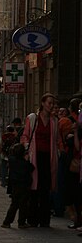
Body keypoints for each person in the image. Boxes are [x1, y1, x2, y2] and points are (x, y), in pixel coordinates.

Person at [21, 92, 62, 227]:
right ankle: (32, 218)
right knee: (34, 188)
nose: (51, 106)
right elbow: (25, 136)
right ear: (43, 103)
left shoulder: (54, 121)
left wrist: (58, 151)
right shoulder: (33, 118)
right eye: (49, 103)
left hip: (48, 157)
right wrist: (27, 149)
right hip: (34, 156)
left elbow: (57, 139)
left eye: (53, 103)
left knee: (45, 188)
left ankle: (44, 219)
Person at [58, 98, 82, 228]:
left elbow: (75, 145)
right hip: (74, 160)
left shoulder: (70, 122)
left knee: (72, 191)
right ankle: (77, 218)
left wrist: (74, 133)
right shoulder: (72, 122)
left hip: (73, 161)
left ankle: (76, 218)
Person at [1, 143, 35, 228]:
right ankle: (21, 222)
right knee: (23, 205)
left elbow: (10, 156)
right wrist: (27, 158)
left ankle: (7, 222)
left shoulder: (12, 160)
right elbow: (32, 168)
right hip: (24, 185)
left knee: (14, 204)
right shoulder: (25, 163)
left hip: (15, 185)